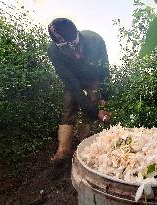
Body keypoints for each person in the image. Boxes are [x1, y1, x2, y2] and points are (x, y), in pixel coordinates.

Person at [47, 18, 111, 161]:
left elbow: (105, 69)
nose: (77, 55)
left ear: (78, 36)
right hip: (73, 79)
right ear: (58, 47)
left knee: (93, 102)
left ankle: (84, 147)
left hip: (93, 77)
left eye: (77, 47)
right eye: (67, 50)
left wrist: (104, 97)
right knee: (69, 103)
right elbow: (73, 87)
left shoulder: (95, 40)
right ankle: (63, 150)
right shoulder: (53, 51)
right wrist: (96, 112)